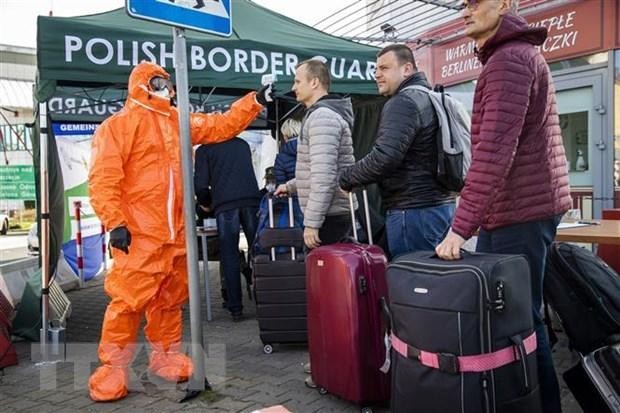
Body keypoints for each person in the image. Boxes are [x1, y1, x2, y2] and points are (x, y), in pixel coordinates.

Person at [87, 61, 272, 402]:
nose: (167, 87)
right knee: (128, 301)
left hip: (177, 233)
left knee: (169, 299)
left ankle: (166, 355)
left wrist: (254, 101)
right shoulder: (119, 126)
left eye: (167, 82)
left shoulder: (178, 121)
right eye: (159, 81)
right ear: (142, 84)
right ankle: (113, 367)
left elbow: (220, 126)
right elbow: (104, 178)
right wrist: (115, 222)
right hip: (140, 233)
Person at [434, 2, 571, 412]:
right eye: (462, 4)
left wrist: (460, 228)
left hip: (519, 212)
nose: (465, 11)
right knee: (524, 320)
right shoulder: (515, 55)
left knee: (519, 325)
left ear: (505, 4)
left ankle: (537, 405)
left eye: (476, 2)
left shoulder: (508, 59)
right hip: (525, 208)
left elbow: (494, 153)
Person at [338, 44, 455, 258]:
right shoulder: (430, 96)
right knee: (437, 282)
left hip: (412, 211)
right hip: (439, 206)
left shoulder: (402, 102)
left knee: (414, 283)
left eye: (384, 68)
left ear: (407, 69)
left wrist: (347, 178)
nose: (377, 75)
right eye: (376, 69)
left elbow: (385, 157)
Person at [274, 59, 356, 250]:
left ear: (315, 82)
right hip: (330, 213)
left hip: (330, 217)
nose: (293, 87)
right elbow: (321, 169)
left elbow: (324, 177)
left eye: (297, 81)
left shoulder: (322, 117)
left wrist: (312, 223)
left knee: (327, 278)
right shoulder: (320, 115)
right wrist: (291, 186)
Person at [194, 137, 261, 321]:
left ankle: (235, 308)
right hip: (251, 200)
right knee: (259, 252)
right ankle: (264, 300)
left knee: (229, 255)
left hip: (225, 204)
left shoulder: (205, 150)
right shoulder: (242, 144)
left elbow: (201, 186)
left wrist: (206, 204)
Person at [273, 118, 301, 185]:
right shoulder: (313, 148)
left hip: (294, 194)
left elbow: (281, 185)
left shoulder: (280, 158)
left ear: (285, 136)